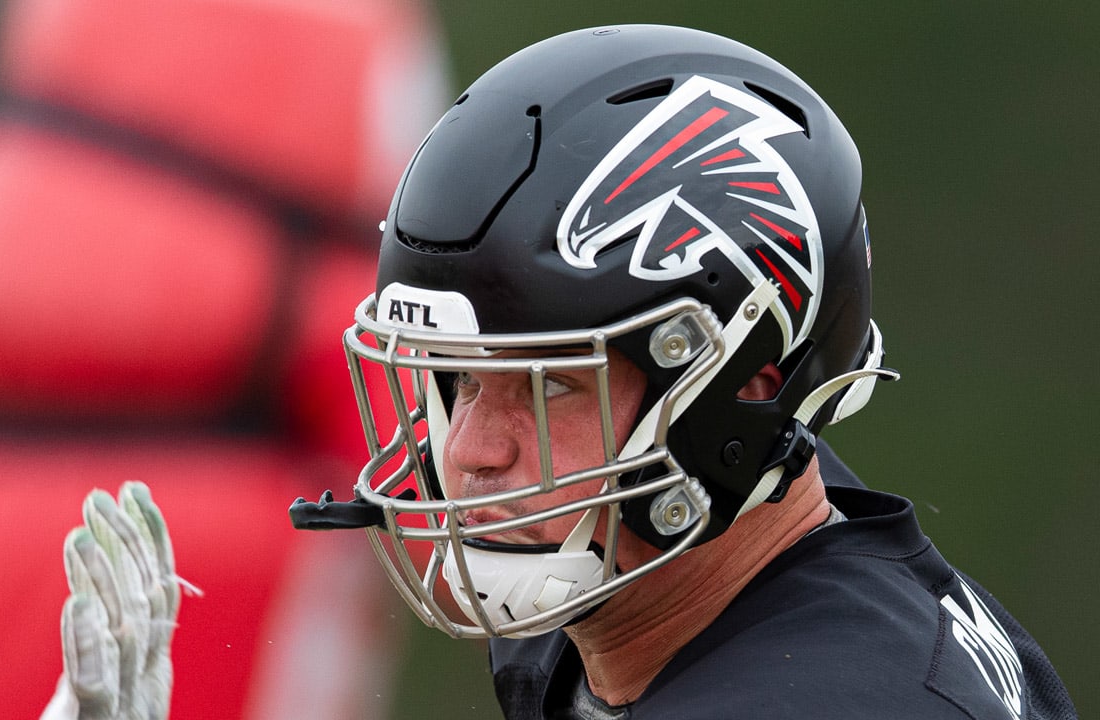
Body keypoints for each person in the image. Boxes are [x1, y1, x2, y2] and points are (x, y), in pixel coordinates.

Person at [285, 24, 1079, 719]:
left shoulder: (836, 695)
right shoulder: (650, 581)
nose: (469, 452)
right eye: (458, 378)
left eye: (546, 384)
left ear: (744, 396)